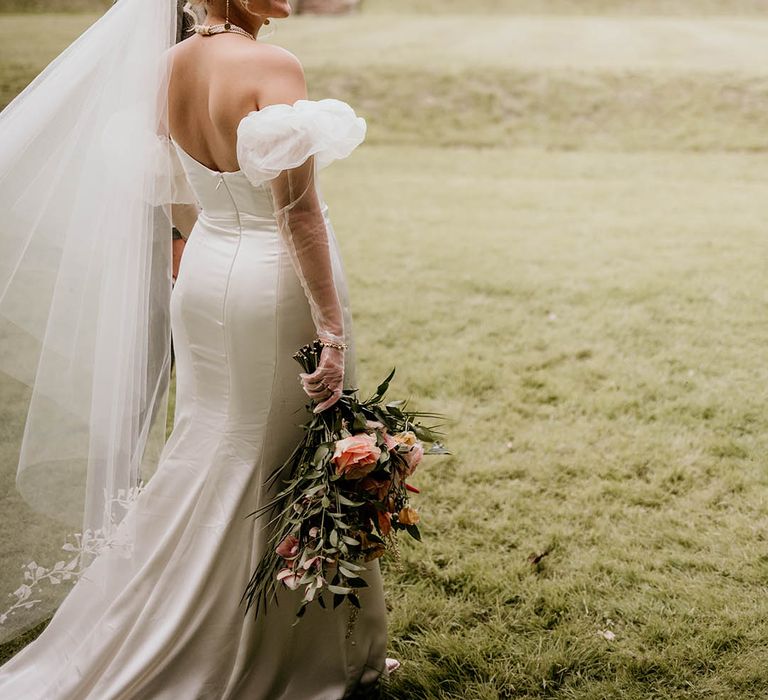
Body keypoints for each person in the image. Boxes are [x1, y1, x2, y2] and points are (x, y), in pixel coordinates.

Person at [0, 0, 398, 696]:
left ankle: (214, 629)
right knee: (279, 463)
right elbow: (296, 211)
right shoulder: (273, 65)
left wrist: (194, 247)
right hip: (275, 288)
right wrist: (330, 334)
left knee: (215, 448)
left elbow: (169, 183)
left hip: (207, 273)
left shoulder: (170, 64)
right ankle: (272, 659)